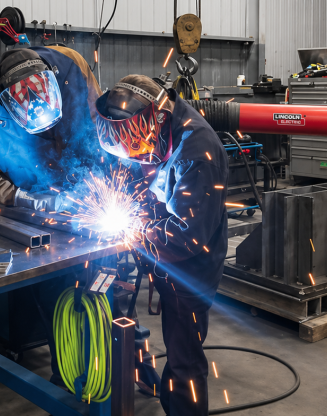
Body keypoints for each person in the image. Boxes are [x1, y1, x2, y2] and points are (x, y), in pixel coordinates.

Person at [94, 74, 229, 416]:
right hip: (164, 254)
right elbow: (137, 172)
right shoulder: (152, 127)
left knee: (184, 358)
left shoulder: (197, 154)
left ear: (159, 119)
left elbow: (187, 236)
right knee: (176, 347)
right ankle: (168, 401)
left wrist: (137, 230)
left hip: (191, 268)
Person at [0, 46, 102, 208]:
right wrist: (20, 197)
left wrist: (96, 178)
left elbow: (97, 127)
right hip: (28, 191)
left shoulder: (72, 65)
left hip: (79, 185)